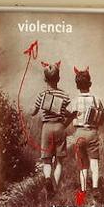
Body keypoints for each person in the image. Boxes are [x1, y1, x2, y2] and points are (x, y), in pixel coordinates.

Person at [29, 60, 71, 190]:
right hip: (59, 127)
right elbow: (66, 112)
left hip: (46, 128)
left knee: (46, 160)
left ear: (44, 79)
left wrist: (31, 111)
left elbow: (34, 112)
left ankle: (48, 179)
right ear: (58, 78)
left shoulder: (42, 95)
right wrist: (72, 115)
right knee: (59, 161)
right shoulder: (64, 95)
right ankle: (56, 188)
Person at [70, 66, 104, 197]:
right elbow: (101, 115)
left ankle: (83, 190)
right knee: (94, 161)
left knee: (82, 164)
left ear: (77, 85)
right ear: (90, 83)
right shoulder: (96, 99)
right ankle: (96, 189)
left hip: (79, 133)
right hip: (92, 133)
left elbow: (70, 114)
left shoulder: (74, 101)